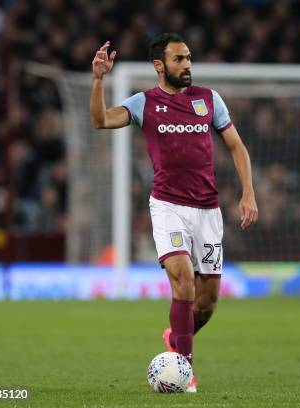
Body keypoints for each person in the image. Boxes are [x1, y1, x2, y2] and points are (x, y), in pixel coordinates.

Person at [89, 33, 258, 393]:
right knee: (182, 280)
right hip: (168, 206)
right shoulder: (144, 103)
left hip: (208, 210)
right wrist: (99, 79)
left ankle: (175, 337)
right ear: (159, 65)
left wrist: (248, 193)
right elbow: (101, 120)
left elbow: (236, 145)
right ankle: (186, 371)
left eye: (189, 58)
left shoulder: (209, 100)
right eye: (179, 59)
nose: (187, 65)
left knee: (208, 302)